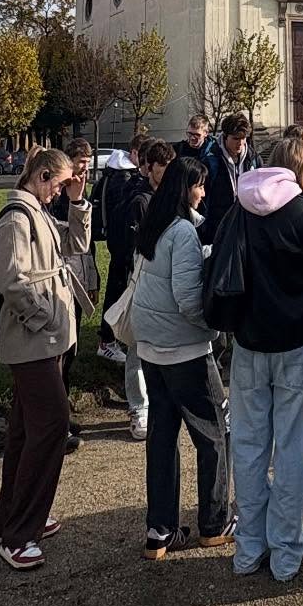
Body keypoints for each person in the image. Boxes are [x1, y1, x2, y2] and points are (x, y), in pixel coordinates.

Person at [228, 131, 303, 582]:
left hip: (249, 342)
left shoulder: (239, 211)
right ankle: (286, 549)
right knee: (292, 447)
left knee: (249, 447)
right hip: (293, 342)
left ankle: (249, 547)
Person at [0, 147, 91, 571]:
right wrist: (45, 318)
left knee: (24, 431)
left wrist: (78, 202)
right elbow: (11, 281)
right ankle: (19, 533)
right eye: (60, 182)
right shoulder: (17, 217)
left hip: (46, 340)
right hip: (34, 340)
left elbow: (77, 245)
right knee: (51, 427)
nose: (61, 190)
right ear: (44, 175)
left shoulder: (39, 211)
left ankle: (10, 519)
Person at [132, 155, 232, 558]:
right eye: (199, 185)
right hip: (185, 348)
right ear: (184, 188)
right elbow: (188, 298)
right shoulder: (183, 232)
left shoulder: (153, 226)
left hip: (151, 347)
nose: (204, 192)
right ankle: (215, 521)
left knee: (161, 437)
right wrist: (213, 329)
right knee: (213, 435)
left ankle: (160, 529)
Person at [120, 141, 175, 442]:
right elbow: (133, 248)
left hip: (168, 279)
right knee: (137, 345)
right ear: (149, 168)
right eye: (161, 169)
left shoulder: (174, 199)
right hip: (143, 277)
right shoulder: (140, 201)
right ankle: (138, 406)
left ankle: (162, 399)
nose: (166, 176)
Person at [97, 138, 146, 365]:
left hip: (118, 240)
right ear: (134, 153)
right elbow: (121, 215)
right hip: (122, 243)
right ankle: (107, 340)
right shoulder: (123, 177)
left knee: (118, 289)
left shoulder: (113, 171)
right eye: (143, 159)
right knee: (117, 292)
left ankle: (111, 338)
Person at [202, 113, 258, 244]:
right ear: (225, 136)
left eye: (243, 138)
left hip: (246, 228)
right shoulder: (210, 161)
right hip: (218, 229)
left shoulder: (253, 158)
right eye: (236, 139)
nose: (240, 143)